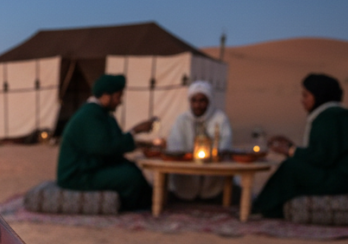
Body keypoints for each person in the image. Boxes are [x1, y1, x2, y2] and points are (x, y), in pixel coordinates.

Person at [252, 73, 348, 218]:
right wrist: (291, 147)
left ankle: (261, 208)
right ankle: (269, 208)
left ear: (319, 95)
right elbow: (324, 152)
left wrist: (290, 150)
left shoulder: (328, 118)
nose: (302, 100)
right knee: (294, 167)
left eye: (306, 96)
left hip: (345, 178)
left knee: (291, 168)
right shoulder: (336, 115)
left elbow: (322, 158)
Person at [56, 73, 155, 210]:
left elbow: (112, 141)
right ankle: (131, 208)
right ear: (106, 96)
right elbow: (105, 147)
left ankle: (152, 200)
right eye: (118, 97)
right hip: (77, 175)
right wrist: (134, 131)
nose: (119, 102)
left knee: (131, 168)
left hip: (90, 169)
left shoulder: (100, 113)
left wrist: (137, 141)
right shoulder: (90, 115)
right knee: (129, 177)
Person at [165, 80, 233, 201]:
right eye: (194, 101)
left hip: (213, 171)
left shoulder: (220, 119)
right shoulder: (182, 120)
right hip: (186, 172)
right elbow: (175, 144)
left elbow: (225, 143)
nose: (198, 105)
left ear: (209, 101)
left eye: (202, 101)